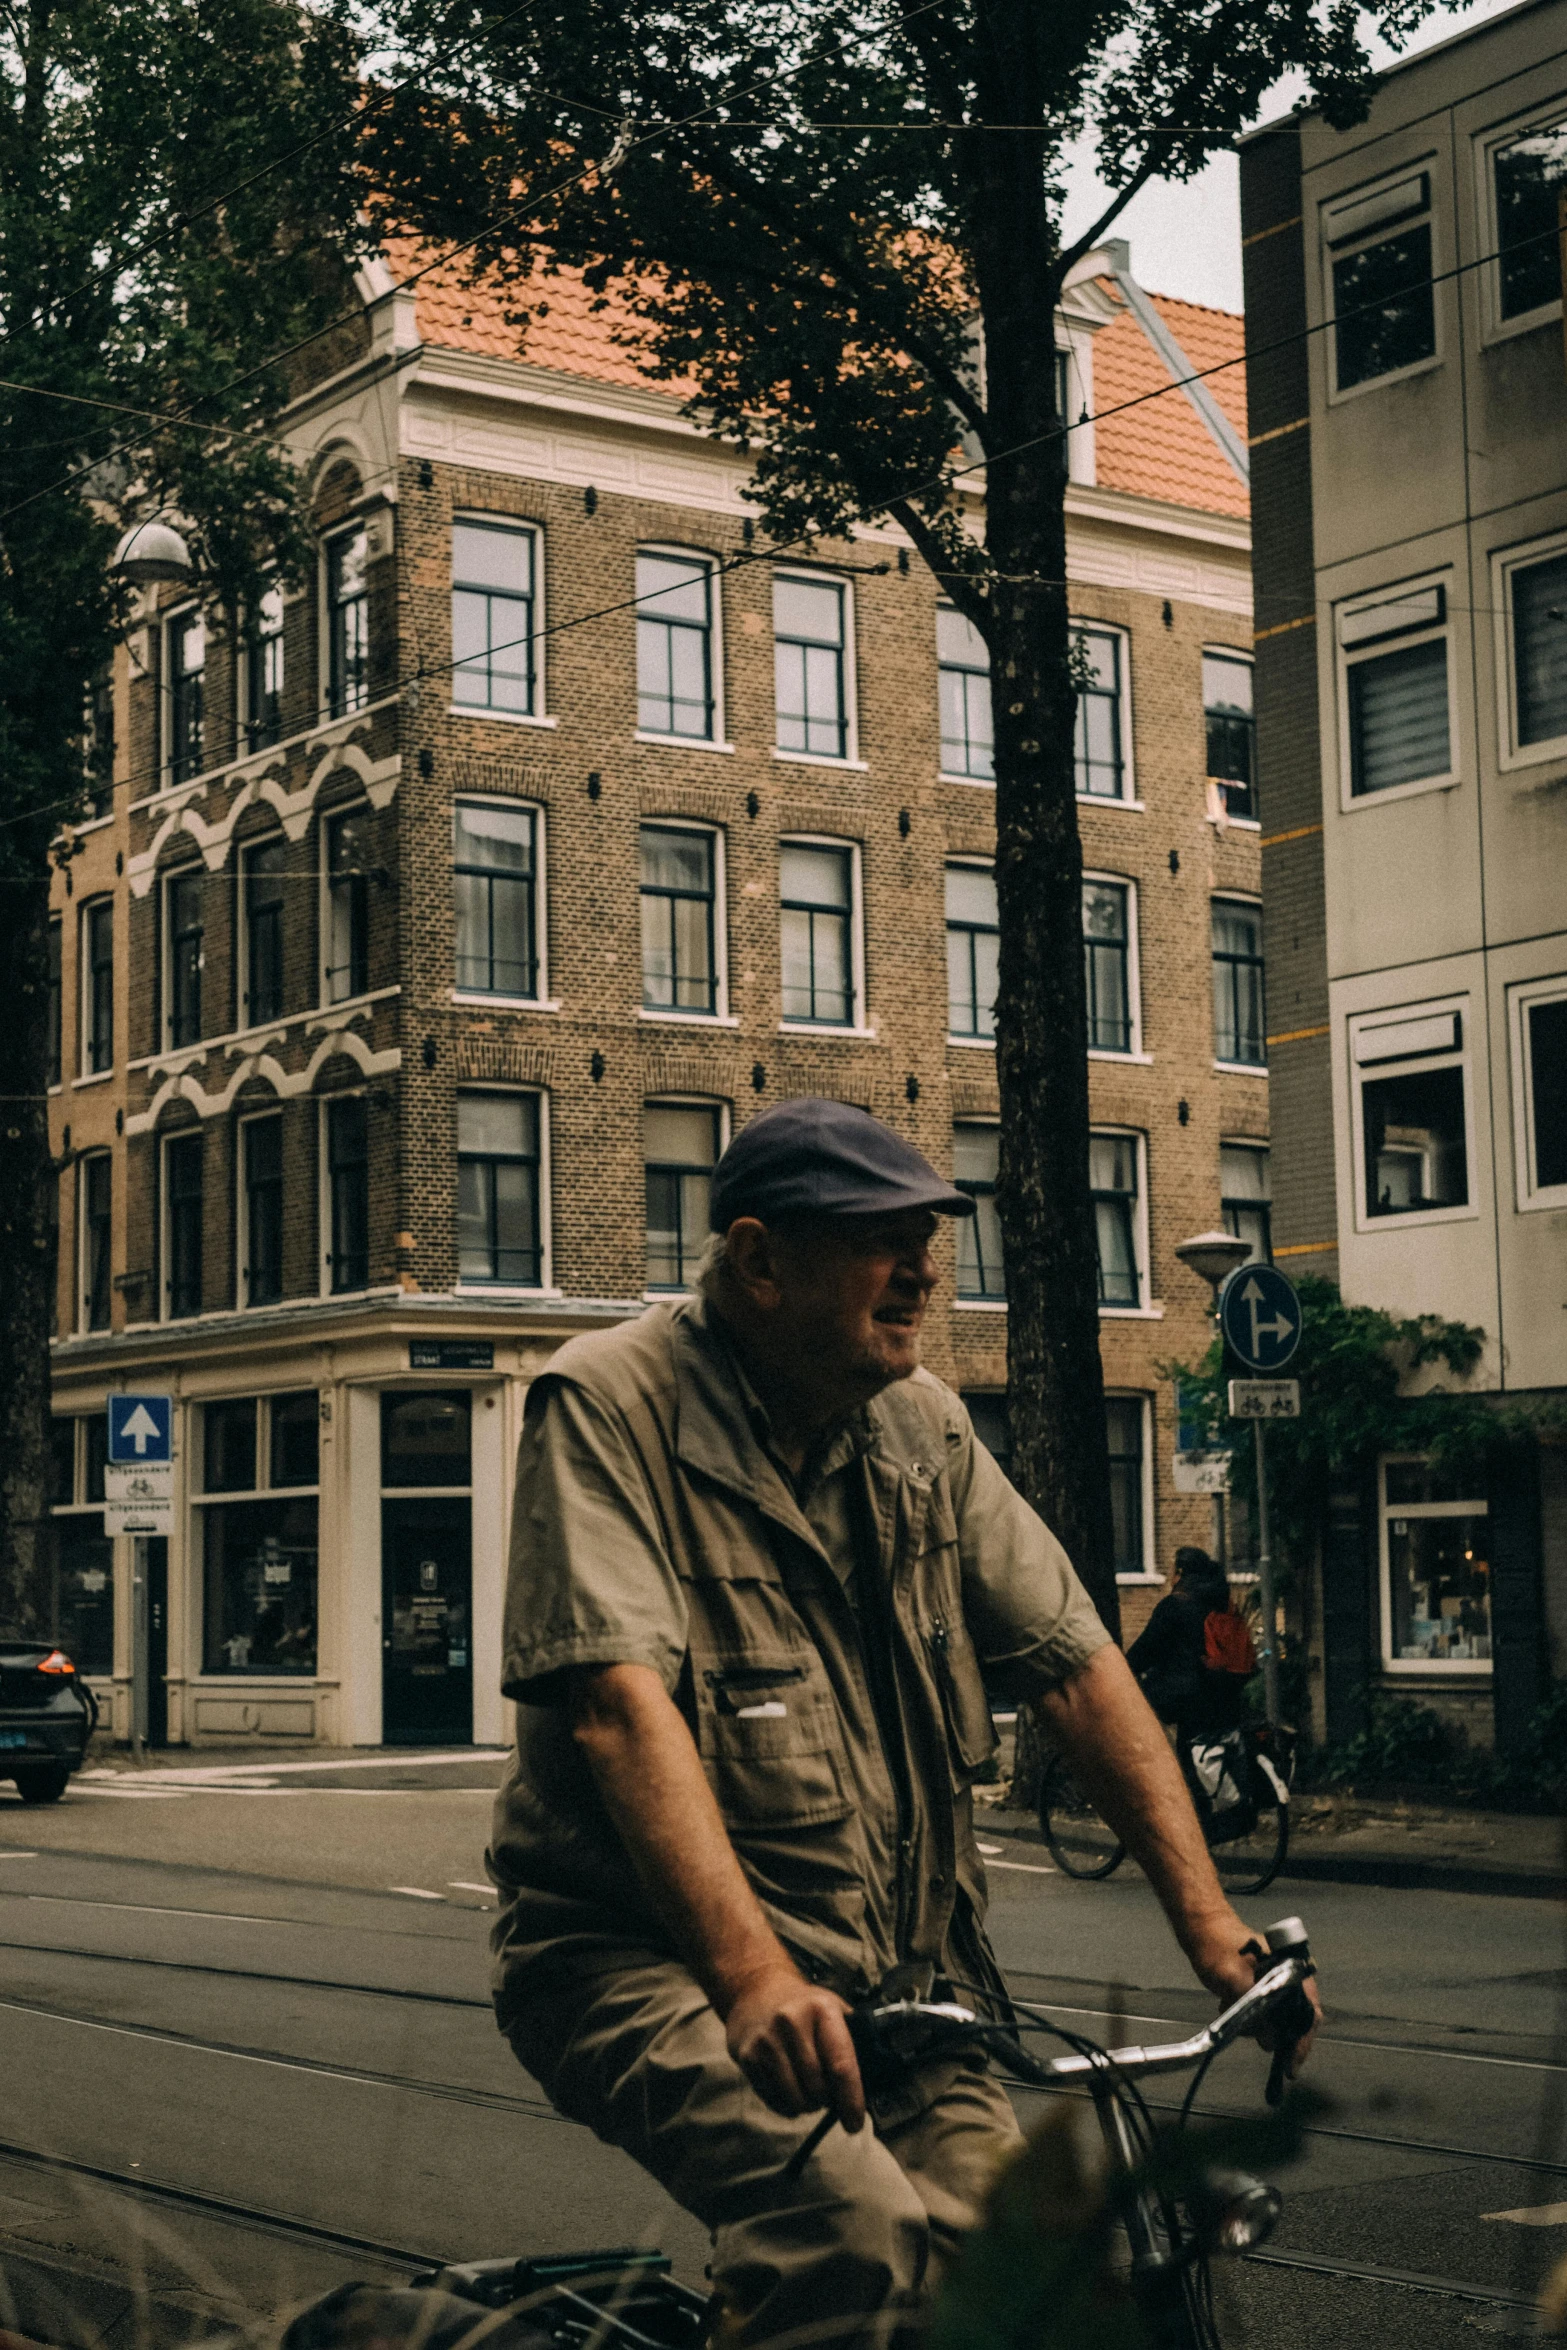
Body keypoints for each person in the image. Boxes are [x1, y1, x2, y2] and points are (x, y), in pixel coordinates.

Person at [487, 1100, 1319, 2350]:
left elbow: (1080, 1671)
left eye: (931, 1233)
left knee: (1037, 2276)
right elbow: (619, 1708)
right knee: (850, 2229)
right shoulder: (609, 1406)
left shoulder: (921, 1425)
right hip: (642, 1962)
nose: (927, 1267)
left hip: (906, 1991)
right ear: (761, 1261)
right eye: (884, 1236)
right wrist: (756, 1978)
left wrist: (1213, 1932)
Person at [1127, 1547, 1256, 1742]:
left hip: (1189, 1701)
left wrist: (1125, 1668)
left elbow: (1142, 1653)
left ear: (1179, 1574)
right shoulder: (1221, 1604)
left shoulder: (1174, 1606)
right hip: (1228, 1697)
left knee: (1190, 1761)